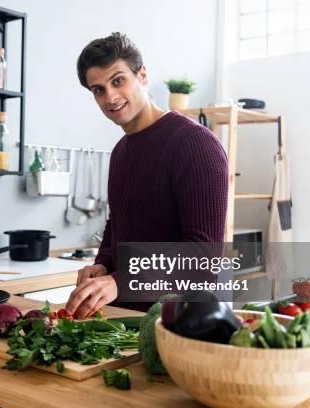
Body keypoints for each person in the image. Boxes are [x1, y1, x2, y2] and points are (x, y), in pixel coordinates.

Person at [64, 33, 228, 318]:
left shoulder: (195, 144)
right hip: (124, 321)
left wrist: (119, 281)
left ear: (142, 75)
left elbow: (204, 256)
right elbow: (119, 222)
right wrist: (103, 262)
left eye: (118, 81)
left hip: (180, 322)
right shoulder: (120, 151)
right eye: (98, 90)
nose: (110, 97)